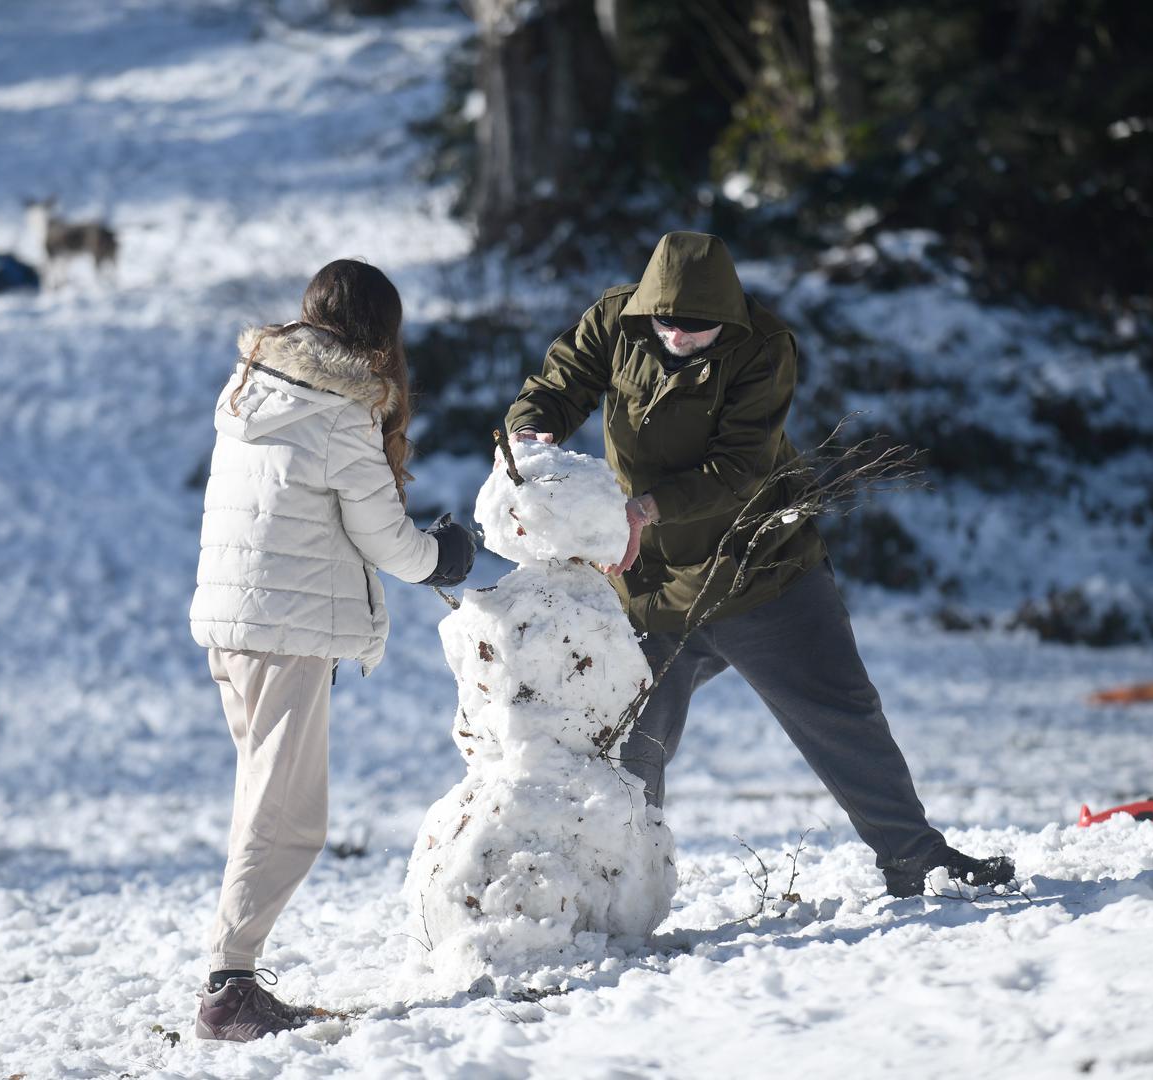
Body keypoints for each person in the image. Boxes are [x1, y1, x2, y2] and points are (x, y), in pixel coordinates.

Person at [504, 231, 1014, 899]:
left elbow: (738, 468)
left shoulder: (764, 347)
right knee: (630, 746)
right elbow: (559, 384)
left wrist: (647, 507)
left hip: (760, 570)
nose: (682, 336)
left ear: (727, 316)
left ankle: (915, 860)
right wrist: (532, 430)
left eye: (699, 327)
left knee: (842, 712)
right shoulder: (614, 320)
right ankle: (615, 889)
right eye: (669, 323)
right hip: (649, 586)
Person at [189, 260, 477, 1041]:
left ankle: (232, 975)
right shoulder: (339, 414)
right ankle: (229, 984)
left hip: (233, 623)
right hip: (284, 630)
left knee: (263, 800)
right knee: (289, 817)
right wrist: (443, 556)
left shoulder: (251, 387)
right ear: (379, 332)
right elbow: (383, 537)